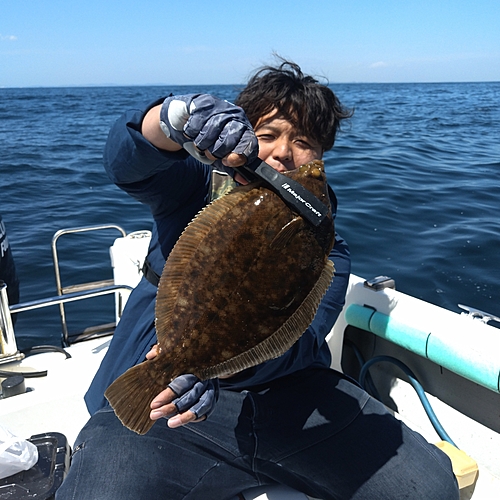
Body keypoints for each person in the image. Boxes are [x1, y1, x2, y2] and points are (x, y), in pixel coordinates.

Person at [57, 60, 458, 500]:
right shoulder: (191, 191)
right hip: (168, 396)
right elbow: (127, 163)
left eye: (303, 142)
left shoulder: (329, 249)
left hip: (287, 401)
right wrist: (169, 119)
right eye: (266, 136)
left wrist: (219, 365)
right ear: (239, 136)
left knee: (430, 487)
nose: (283, 153)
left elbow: (302, 338)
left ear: (321, 157)